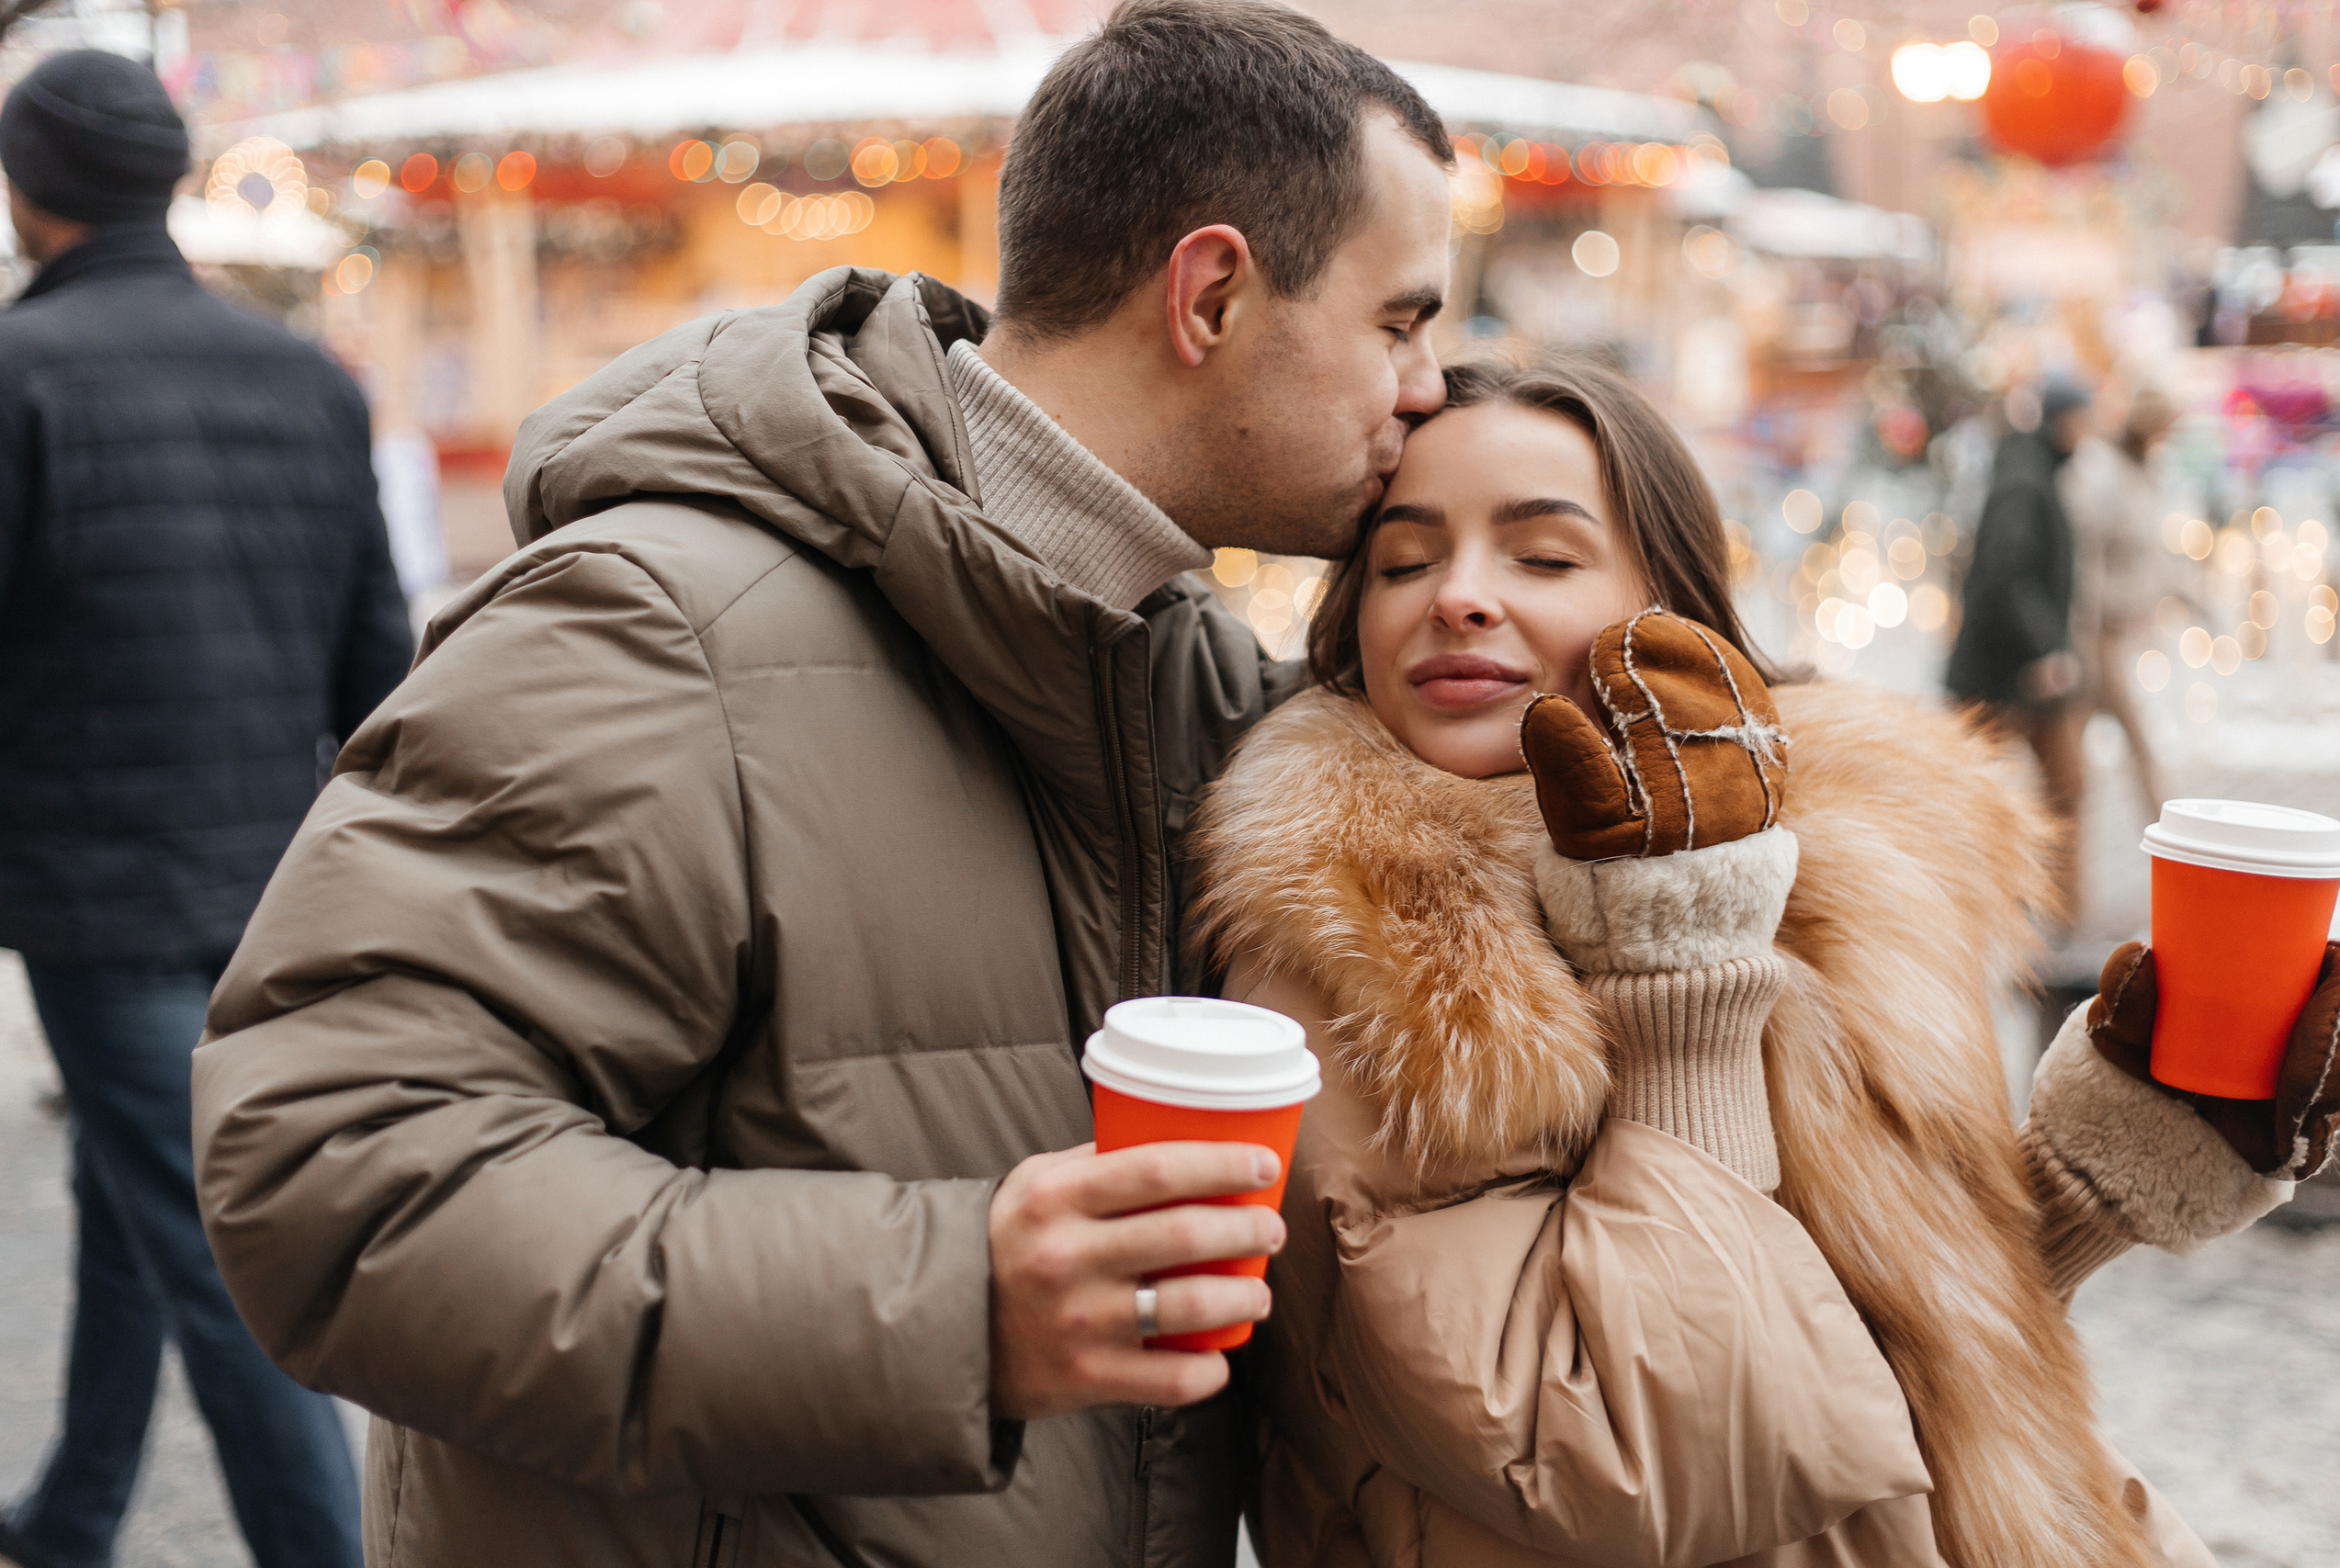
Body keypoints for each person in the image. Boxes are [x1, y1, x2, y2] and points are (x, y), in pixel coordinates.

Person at [188, 5, 1455, 1564]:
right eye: (1401, 321)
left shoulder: (1172, 672)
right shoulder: (666, 628)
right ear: (1209, 294)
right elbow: (327, 1164)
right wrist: (954, 1305)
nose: (1429, 385)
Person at [1190, 359, 2340, 1566]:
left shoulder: (1811, 869)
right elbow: (1654, 1455)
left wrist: (2095, 1181)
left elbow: (1865, 1354)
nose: (1459, 597)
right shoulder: (1378, 953)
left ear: (1671, 609)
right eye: (1403, 563)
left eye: (1541, 556)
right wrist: (1677, 987)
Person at [0, 50, 408, 1568]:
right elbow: (379, 663)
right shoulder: (304, 378)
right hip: (277, 878)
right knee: (138, 1188)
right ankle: (75, 1511)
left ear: (27, 189)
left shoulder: (18, 373)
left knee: (202, 1233)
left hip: (91, 890)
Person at [1947, 376, 2095, 927]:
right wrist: (2046, 649)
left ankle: (2060, 916)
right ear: (2065, 418)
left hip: (2014, 670)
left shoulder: (2031, 470)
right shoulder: (2026, 481)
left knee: (2058, 789)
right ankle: (2018, 913)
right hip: (2007, 673)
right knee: (2000, 795)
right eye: (2085, 415)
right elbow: (2006, 573)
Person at [2063, 382, 2176, 824]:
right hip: (2098, 635)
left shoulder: (2142, 471)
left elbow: (2151, 552)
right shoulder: (2105, 475)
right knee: (2136, 740)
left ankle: (2070, 834)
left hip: (2120, 630)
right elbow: (2087, 560)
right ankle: (2165, 832)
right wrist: (2083, 633)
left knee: (2074, 748)